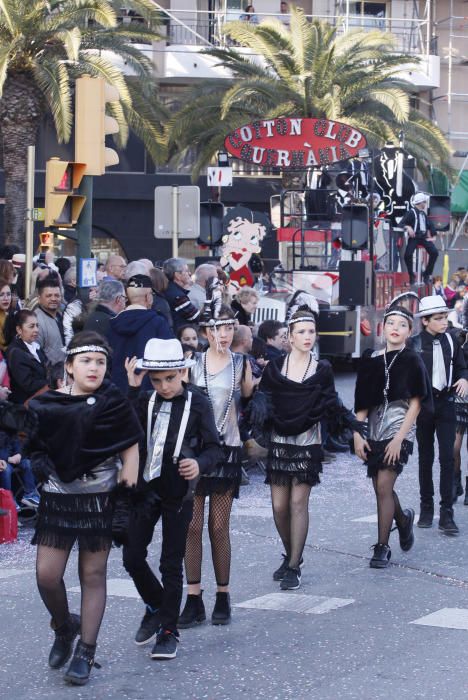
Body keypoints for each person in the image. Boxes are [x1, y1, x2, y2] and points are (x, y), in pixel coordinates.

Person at [27, 331, 142, 685]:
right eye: (86, 361)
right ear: (70, 367)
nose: (94, 368)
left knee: (92, 575)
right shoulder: (48, 404)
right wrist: (42, 466)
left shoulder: (114, 402)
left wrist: (125, 501)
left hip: (100, 498)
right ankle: (65, 627)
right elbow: (35, 447)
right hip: (59, 497)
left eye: (101, 362)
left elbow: (130, 450)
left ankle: (86, 651)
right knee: (47, 575)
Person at [122, 339, 221, 659]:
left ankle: (168, 630)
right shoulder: (146, 398)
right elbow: (126, 432)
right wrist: (134, 390)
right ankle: (156, 605)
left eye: (169, 378)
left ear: (183, 372)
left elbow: (214, 448)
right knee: (132, 557)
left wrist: (200, 464)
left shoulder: (199, 402)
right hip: (145, 490)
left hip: (178, 492)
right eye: (156, 379)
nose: (163, 386)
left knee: (170, 563)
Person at [252, 304, 362, 590]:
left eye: (311, 331)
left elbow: (331, 402)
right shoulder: (275, 367)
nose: (307, 336)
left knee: (298, 502)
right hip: (280, 439)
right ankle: (291, 555)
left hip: (308, 439)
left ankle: (292, 566)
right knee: (278, 506)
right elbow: (263, 399)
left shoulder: (322, 369)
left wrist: (351, 425)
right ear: (289, 336)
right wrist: (259, 427)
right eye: (301, 331)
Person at [179, 304, 254, 626]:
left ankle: (223, 595)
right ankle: (193, 598)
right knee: (192, 526)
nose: (222, 334)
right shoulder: (192, 364)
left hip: (227, 450)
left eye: (227, 328)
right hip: (196, 452)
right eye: (216, 328)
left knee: (219, 526)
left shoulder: (241, 364)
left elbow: (251, 400)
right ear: (206, 331)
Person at [353, 296, 431, 568]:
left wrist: (400, 439)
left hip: (399, 427)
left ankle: (382, 546)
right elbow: (361, 402)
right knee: (379, 487)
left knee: (385, 485)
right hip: (373, 427)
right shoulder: (371, 359)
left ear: (410, 332)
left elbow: (416, 403)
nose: (395, 328)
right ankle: (403, 518)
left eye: (402, 324)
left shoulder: (413, 360)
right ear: (382, 328)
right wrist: (357, 434)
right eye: (390, 323)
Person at [407, 296, 468, 534]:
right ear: (425, 321)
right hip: (422, 405)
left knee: (447, 457)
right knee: (425, 458)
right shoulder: (413, 344)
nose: (444, 322)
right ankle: (426, 508)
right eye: (439, 318)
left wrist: (463, 377)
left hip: (446, 403)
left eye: (445, 317)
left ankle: (447, 514)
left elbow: (462, 366)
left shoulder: (452, 341)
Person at [107, 275, 173, 392]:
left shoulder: (112, 323)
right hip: (150, 389)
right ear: (148, 297)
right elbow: (169, 358)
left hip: (117, 389)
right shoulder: (158, 322)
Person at [6, 310, 48, 404]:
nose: (36, 330)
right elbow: (28, 385)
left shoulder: (35, 346)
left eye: (37, 325)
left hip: (40, 401)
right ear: (19, 329)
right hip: (25, 406)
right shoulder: (16, 352)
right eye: (31, 326)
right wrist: (50, 383)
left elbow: (47, 367)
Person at [401, 193, 438, 285]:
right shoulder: (411, 212)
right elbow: (401, 223)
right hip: (415, 237)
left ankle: (426, 274)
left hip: (424, 237)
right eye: (424, 202)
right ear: (420, 202)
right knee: (408, 255)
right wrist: (408, 227)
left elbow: (430, 224)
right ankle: (411, 275)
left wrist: (434, 235)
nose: (425, 204)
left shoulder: (423, 214)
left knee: (434, 253)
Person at [33, 276, 66, 365]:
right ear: (39, 299)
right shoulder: (35, 321)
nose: (53, 299)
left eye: (57, 295)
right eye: (48, 296)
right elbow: (35, 352)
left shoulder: (62, 315)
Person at [163, 258, 200, 330]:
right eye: (186, 271)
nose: (190, 273)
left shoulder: (171, 289)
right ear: (177, 275)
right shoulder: (178, 296)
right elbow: (195, 317)